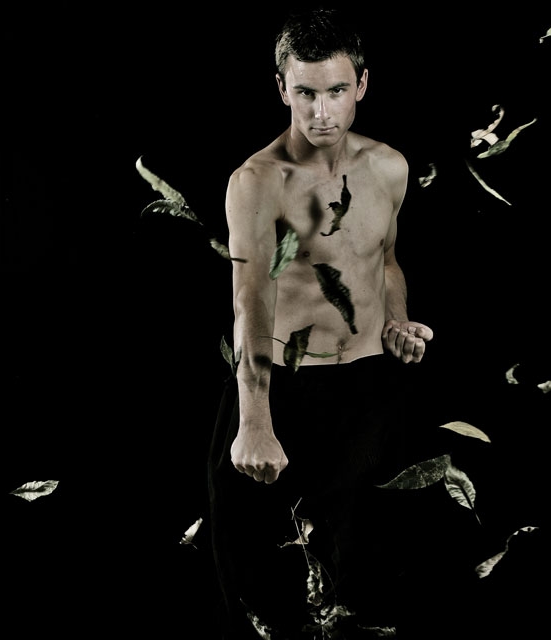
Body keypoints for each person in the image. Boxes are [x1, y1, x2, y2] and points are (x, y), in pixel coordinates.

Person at [207, 7, 438, 638]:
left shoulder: (389, 167)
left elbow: (384, 262)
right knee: (260, 594)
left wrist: (397, 322)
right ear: (282, 89)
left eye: (336, 91)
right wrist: (255, 423)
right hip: (283, 387)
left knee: (362, 591)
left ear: (362, 84)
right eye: (305, 93)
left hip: (367, 391)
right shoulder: (258, 182)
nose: (321, 113)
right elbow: (249, 303)